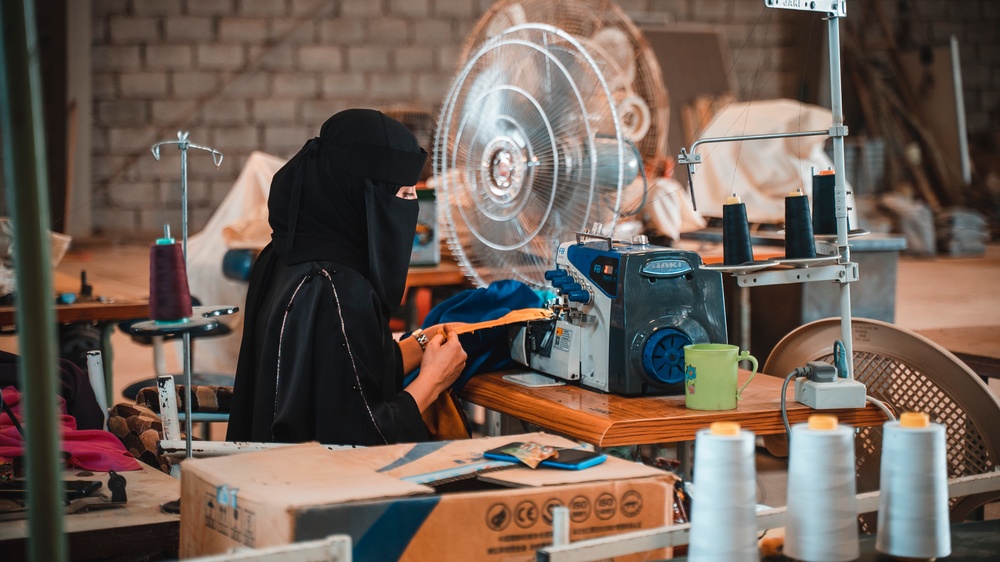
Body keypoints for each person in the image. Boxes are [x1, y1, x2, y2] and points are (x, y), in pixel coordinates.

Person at [227, 109, 467, 445]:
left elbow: (340, 372)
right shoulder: (338, 288)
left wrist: (422, 342)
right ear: (362, 197)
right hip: (320, 486)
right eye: (405, 195)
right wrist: (433, 380)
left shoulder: (281, 256)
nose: (411, 209)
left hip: (269, 468)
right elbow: (361, 436)